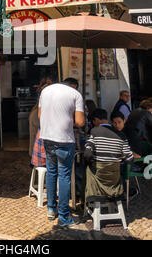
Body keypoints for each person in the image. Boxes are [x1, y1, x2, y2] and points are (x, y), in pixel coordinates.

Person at [38, 77, 85, 228]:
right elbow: (80, 122)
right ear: (74, 85)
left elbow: (40, 116)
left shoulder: (45, 91)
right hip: (64, 139)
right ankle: (64, 215)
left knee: (52, 172)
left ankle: (51, 208)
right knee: (64, 175)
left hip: (47, 138)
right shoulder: (75, 94)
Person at [84, 112, 134, 204]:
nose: (117, 125)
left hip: (98, 175)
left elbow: (87, 154)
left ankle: (88, 200)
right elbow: (129, 158)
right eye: (115, 122)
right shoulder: (122, 136)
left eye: (119, 122)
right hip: (114, 178)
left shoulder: (94, 131)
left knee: (85, 169)